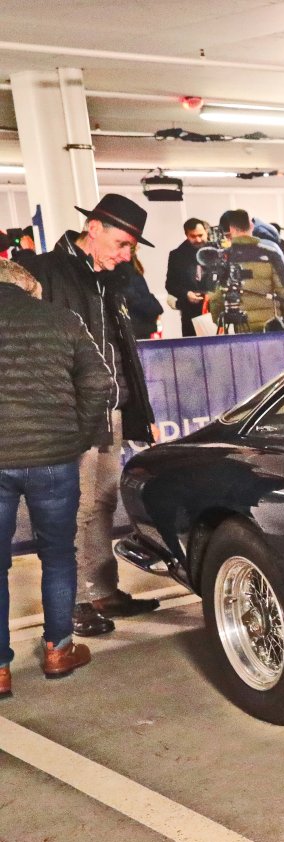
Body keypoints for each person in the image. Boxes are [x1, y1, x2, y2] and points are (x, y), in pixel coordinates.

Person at [28, 192, 161, 637]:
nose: (125, 255)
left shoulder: (113, 279)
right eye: (121, 244)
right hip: (70, 413)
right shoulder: (45, 272)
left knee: (101, 501)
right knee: (72, 507)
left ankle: (101, 590)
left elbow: (122, 348)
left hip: (111, 408)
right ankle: (72, 603)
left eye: (131, 248)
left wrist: (139, 408)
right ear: (93, 228)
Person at [0, 258, 113, 692]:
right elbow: (100, 383)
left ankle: (0, 670)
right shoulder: (63, 320)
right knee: (58, 554)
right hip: (54, 458)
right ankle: (58, 650)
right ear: (29, 288)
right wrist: (78, 437)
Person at [209, 209, 284, 334]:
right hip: (271, 326)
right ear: (251, 226)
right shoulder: (271, 253)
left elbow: (216, 297)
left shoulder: (224, 258)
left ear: (231, 230)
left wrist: (219, 321)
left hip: (241, 327)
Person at [164, 218, 209, 337]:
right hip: (190, 313)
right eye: (193, 236)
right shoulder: (177, 255)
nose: (198, 239)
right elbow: (170, 284)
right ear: (186, 235)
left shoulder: (217, 251)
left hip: (215, 309)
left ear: (206, 232)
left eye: (200, 235)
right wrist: (186, 293)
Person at [118, 253, 164, 339]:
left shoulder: (131, 267)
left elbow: (141, 294)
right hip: (136, 326)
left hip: (139, 325)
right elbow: (133, 297)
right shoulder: (124, 269)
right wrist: (155, 308)